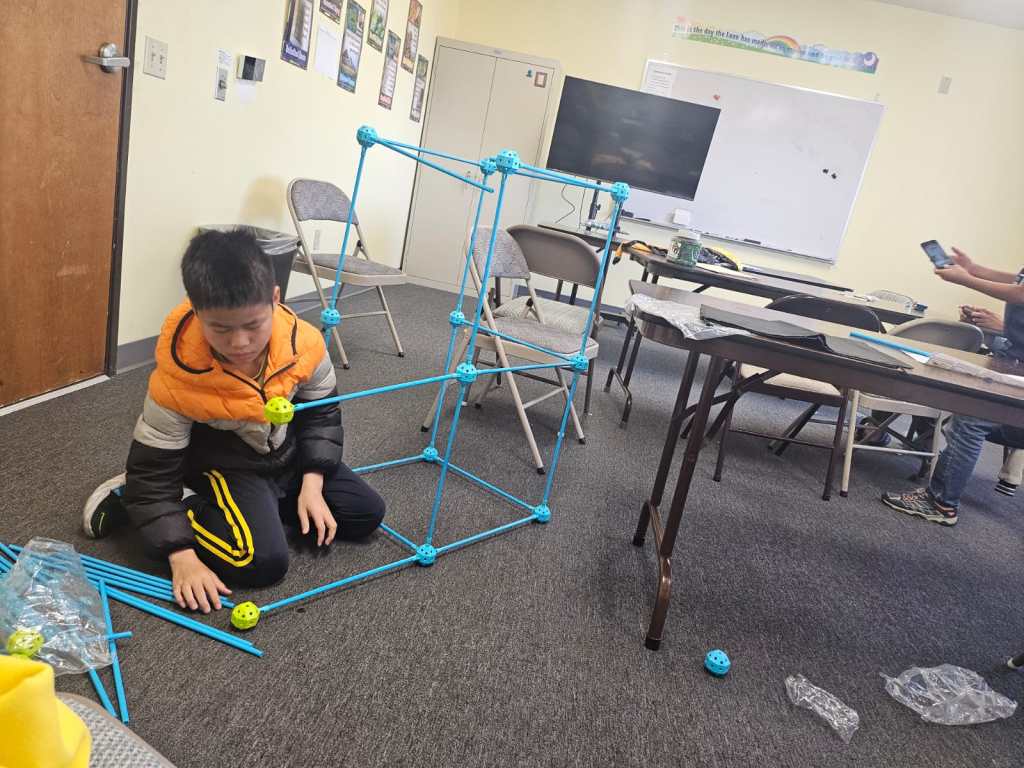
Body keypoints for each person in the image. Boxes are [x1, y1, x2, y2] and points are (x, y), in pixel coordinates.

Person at [82, 230, 385, 611]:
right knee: (260, 561)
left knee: (365, 513)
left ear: (275, 299)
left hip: (284, 453)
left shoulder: (305, 344)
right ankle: (162, 500)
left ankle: (262, 509)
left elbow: (322, 414)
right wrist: (181, 555)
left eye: (253, 325)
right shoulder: (177, 379)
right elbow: (153, 470)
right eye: (221, 329)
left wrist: (312, 482)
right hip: (224, 465)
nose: (240, 343)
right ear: (196, 311)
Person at [882, 246, 1024, 525]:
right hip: (1014, 361)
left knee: (971, 421)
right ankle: (938, 497)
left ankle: (942, 503)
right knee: (966, 416)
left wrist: (965, 279)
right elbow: (1018, 280)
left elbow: (1021, 293)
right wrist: (974, 269)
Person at [958, 304, 1024, 496]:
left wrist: (1004, 328)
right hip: (1007, 383)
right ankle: (925, 444)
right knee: (941, 386)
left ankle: (942, 501)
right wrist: (981, 326)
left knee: (968, 418)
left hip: (1013, 413)